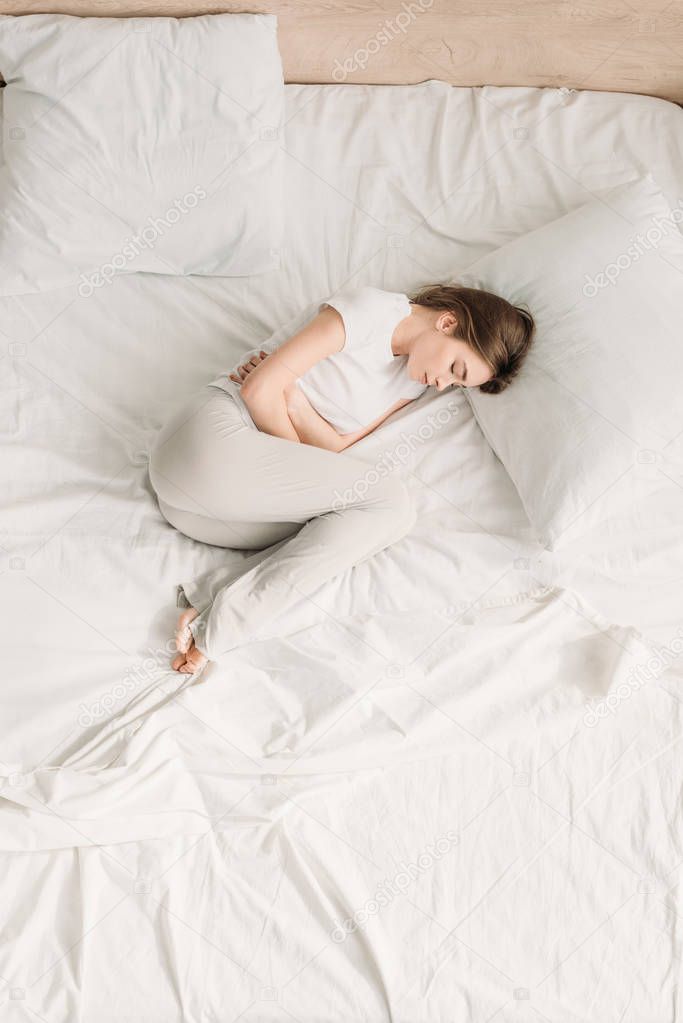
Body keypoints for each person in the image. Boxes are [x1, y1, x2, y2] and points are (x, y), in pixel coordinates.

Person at [148, 283, 535, 673]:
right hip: (207, 443)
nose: (443, 384)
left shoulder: (412, 382)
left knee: (346, 530)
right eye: (455, 369)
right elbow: (258, 389)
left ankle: (211, 601)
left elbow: (334, 449)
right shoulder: (368, 313)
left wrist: (296, 404)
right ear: (448, 322)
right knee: (390, 504)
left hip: (207, 512)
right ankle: (226, 623)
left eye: (456, 384)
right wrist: (295, 436)